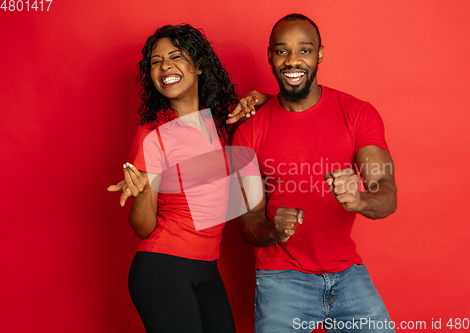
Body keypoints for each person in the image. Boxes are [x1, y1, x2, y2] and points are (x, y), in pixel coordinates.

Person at [231, 14, 398, 333]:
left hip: (348, 273)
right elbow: (247, 220)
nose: (292, 60)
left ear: (320, 53)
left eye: (304, 50)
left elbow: (387, 196)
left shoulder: (358, 114)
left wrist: (360, 200)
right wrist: (272, 230)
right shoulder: (248, 132)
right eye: (282, 51)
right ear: (270, 56)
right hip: (281, 277)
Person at [107, 24, 253, 333]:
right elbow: (143, 228)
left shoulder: (223, 124)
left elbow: (281, 107)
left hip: (207, 268)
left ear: (199, 66)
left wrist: (260, 98)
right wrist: (144, 192)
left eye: (175, 56)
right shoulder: (153, 136)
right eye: (156, 61)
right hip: (163, 268)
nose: (165, 66)